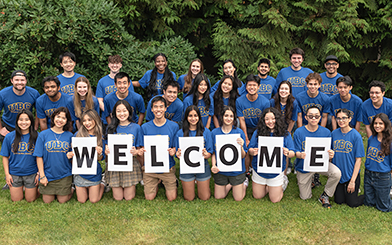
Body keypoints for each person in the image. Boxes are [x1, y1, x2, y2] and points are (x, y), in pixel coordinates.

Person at [294, 106, 341, 208]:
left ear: (320, 118)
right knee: (305, 197)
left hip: (320, 164)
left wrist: (331, 154)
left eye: (316, 116)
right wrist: (300, 155)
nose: (313, 118)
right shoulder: (299, 132)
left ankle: (325, 194)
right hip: (304, 166)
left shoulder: (326, 132)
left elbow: (328, 151)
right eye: (311, 116)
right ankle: (311, 179)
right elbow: (295, 152)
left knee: (336, 173)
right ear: (306, 117)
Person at [248, 107, 295, 203]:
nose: (270, 121)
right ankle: (268, 186)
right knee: (258, 196)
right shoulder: (257, 133)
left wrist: (288, 152)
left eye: (273, 118)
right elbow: (250, 149)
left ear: (277, 119)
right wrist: (253, 151)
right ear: (263, 121)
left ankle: (283, 181)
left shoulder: (285, 134)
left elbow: (292, 152)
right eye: (267, 119)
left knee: (275, 199)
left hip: (276, 172)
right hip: (259, 170)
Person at [141, 96, 179, 201]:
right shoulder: (145, 127)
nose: (158, 109)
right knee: (149, 198)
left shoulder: (174, 126)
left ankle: (168, 179)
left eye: (161, 107)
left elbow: (176, 146)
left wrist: (174, 150)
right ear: (152, 109)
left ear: (165, 108)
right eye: (155, 107)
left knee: (172, 198)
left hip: (167, 167)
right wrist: (142, 150)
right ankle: (155, 182)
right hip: (150, 168)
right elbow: (141, 146)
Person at [104, 100, 144, 201]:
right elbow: (106, 148)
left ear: (129, 112)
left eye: (124, 111)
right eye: (118, 111)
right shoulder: (110, 128)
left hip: (130, 164)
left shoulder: (136, 127)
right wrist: (106, 151)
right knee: (118, 198)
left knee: (128, 197)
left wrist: (137, 152)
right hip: (115, 165)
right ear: (114, 113)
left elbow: (141, 149)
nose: (122, 114)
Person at [33, 107, 74, 204]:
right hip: (48, 174)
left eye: (63, 118)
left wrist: (72, 154)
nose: (60, 120)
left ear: (67, 121)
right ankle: (43, 189)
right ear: (53, 117)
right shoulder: (43, 134)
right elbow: (39, 156)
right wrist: (42, 176)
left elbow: (76, 154)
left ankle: (71, 188)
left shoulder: (70, 136)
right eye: (58, 116)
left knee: (62, 201)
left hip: (64, 174)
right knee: (47, 201)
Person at [175, 105, 213, 201]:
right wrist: (178, 154)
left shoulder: (206, 132)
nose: (193, 118)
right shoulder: (180, 133)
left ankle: (201, 183)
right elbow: (177, 152)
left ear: (199, 117)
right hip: (186, 167)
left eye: (195, 115)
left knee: (205, 197)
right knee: (189, 198)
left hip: (202, 165)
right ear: (186, 117)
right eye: (190, 116)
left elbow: (210, 152)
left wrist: (206, 154)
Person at [66, 110, 105, 203]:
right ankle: (76, 185)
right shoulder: (78, 135)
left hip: (94, 172)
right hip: (80, 173)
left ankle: (103, 183)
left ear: (95, 120)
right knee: (82, 200)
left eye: (89, 120)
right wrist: (69, 154)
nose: (87, 123)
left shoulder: (100, 137)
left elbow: (101, 158)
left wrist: (99, 153)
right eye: (84, 120)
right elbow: (72, 153)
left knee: (94, 200)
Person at [211, 106, 248, 201]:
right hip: (221, 170)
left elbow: (243, 156)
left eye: (231, 116)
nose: (228, 118)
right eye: (226, 115)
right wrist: (213, 165)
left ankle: (244, 184)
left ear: (234, 118)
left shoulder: (239, 132)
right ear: (222, 117)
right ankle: (231, 185)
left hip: (236, 171)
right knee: (219, 197)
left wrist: (241, 146)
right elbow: (214, 153)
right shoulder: (215, 132)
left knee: (238, 198)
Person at [1, 110, 39, 202]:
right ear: (17, 121)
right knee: (16, 199)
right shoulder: (9, 136)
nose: (24, 122)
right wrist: (7, 174)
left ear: (31, 121)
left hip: (31, 173)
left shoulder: (37, 136)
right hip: (15, 173)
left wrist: (38, 173)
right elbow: (5, 157)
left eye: (27, 119)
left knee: (30, 199)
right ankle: (22, 187)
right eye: (21, 120)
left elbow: (40, 157)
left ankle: (35, 189)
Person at [332, 109, 365, 207]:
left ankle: (370, 196)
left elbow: (358, 160)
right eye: (338, 118)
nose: (341, 121)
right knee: (339, 201)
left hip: (351, 174)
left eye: (344, 118)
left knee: (352, 203)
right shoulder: (334, 134)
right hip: (338, 175)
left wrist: (352, 181)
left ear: (350, 119)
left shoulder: (356, 135)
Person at [0, 70, 40, 142]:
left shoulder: (34, 93)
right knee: (8, 151)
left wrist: (35, 126)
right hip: (8, 126)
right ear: (12, 81)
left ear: (26, 81)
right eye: (16, 80)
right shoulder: (3, 94)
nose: (19, 82)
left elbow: (39, 110)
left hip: (26, 125)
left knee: (27, 150)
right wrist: (0, 128)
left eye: (22, 80)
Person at [364, 113, 392, 212]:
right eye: (375, 123)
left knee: (384, 207)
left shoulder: (390, 141)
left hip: (382, 176)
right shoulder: (371, 138)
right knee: (369, 203)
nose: (377, 126)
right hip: (368, 174)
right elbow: (368, 155)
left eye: (381, 123)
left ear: (386, 125)